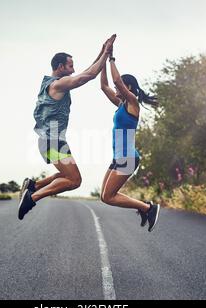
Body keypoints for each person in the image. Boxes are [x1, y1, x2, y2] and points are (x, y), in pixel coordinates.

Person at [18, 35, 117, 220]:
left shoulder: (50, 83)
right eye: (70, 66)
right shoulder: (59, 84)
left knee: (65, 176)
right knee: (74, 180)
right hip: (53, 140)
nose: (73, 69)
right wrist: (105, 53)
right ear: (60, 67)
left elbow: (88, 71)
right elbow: (88, 76)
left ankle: (34, 185)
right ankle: (32, 197)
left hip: (48, 140)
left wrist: (103, 51)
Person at [99, 50, 161, 232]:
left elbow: (117, 81)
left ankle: (148, 208)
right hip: (119, 157)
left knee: (110, 196)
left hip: (128, 157)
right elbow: (104, 86)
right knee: (104, 196)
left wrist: (111, 58)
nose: (116, 89)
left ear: (129, 89)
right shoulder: (120, 105)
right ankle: (144, 208)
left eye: (120, 88)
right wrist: (102, 59)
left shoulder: (132, 103)